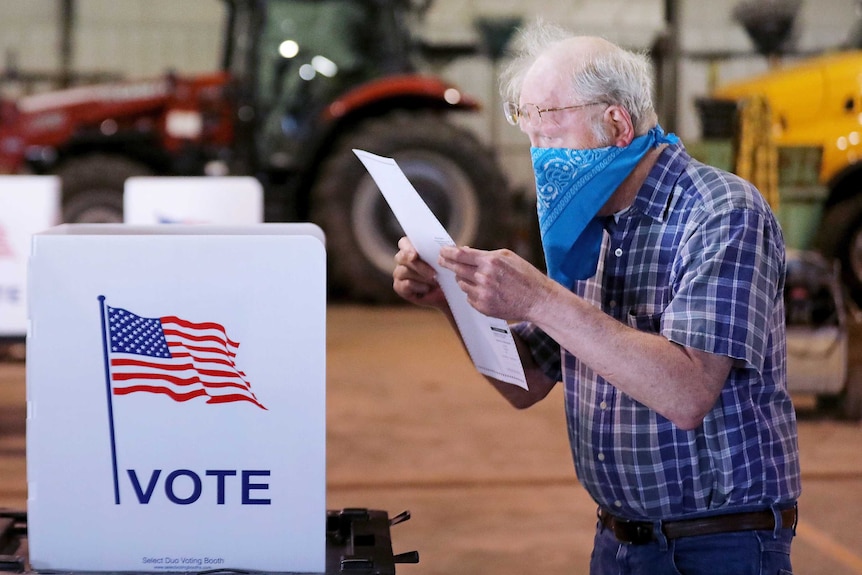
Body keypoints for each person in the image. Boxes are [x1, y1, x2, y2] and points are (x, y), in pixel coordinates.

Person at [392, 21, 801, 575]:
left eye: (552, 138)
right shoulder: (588, 227)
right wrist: (450, 298)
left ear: (616, 124)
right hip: (618, 540)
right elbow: (526, 382)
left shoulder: (721, 213)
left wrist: (539, 299)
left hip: (717, 546)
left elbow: (686, 392)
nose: (540, 162)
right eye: (531, 140)